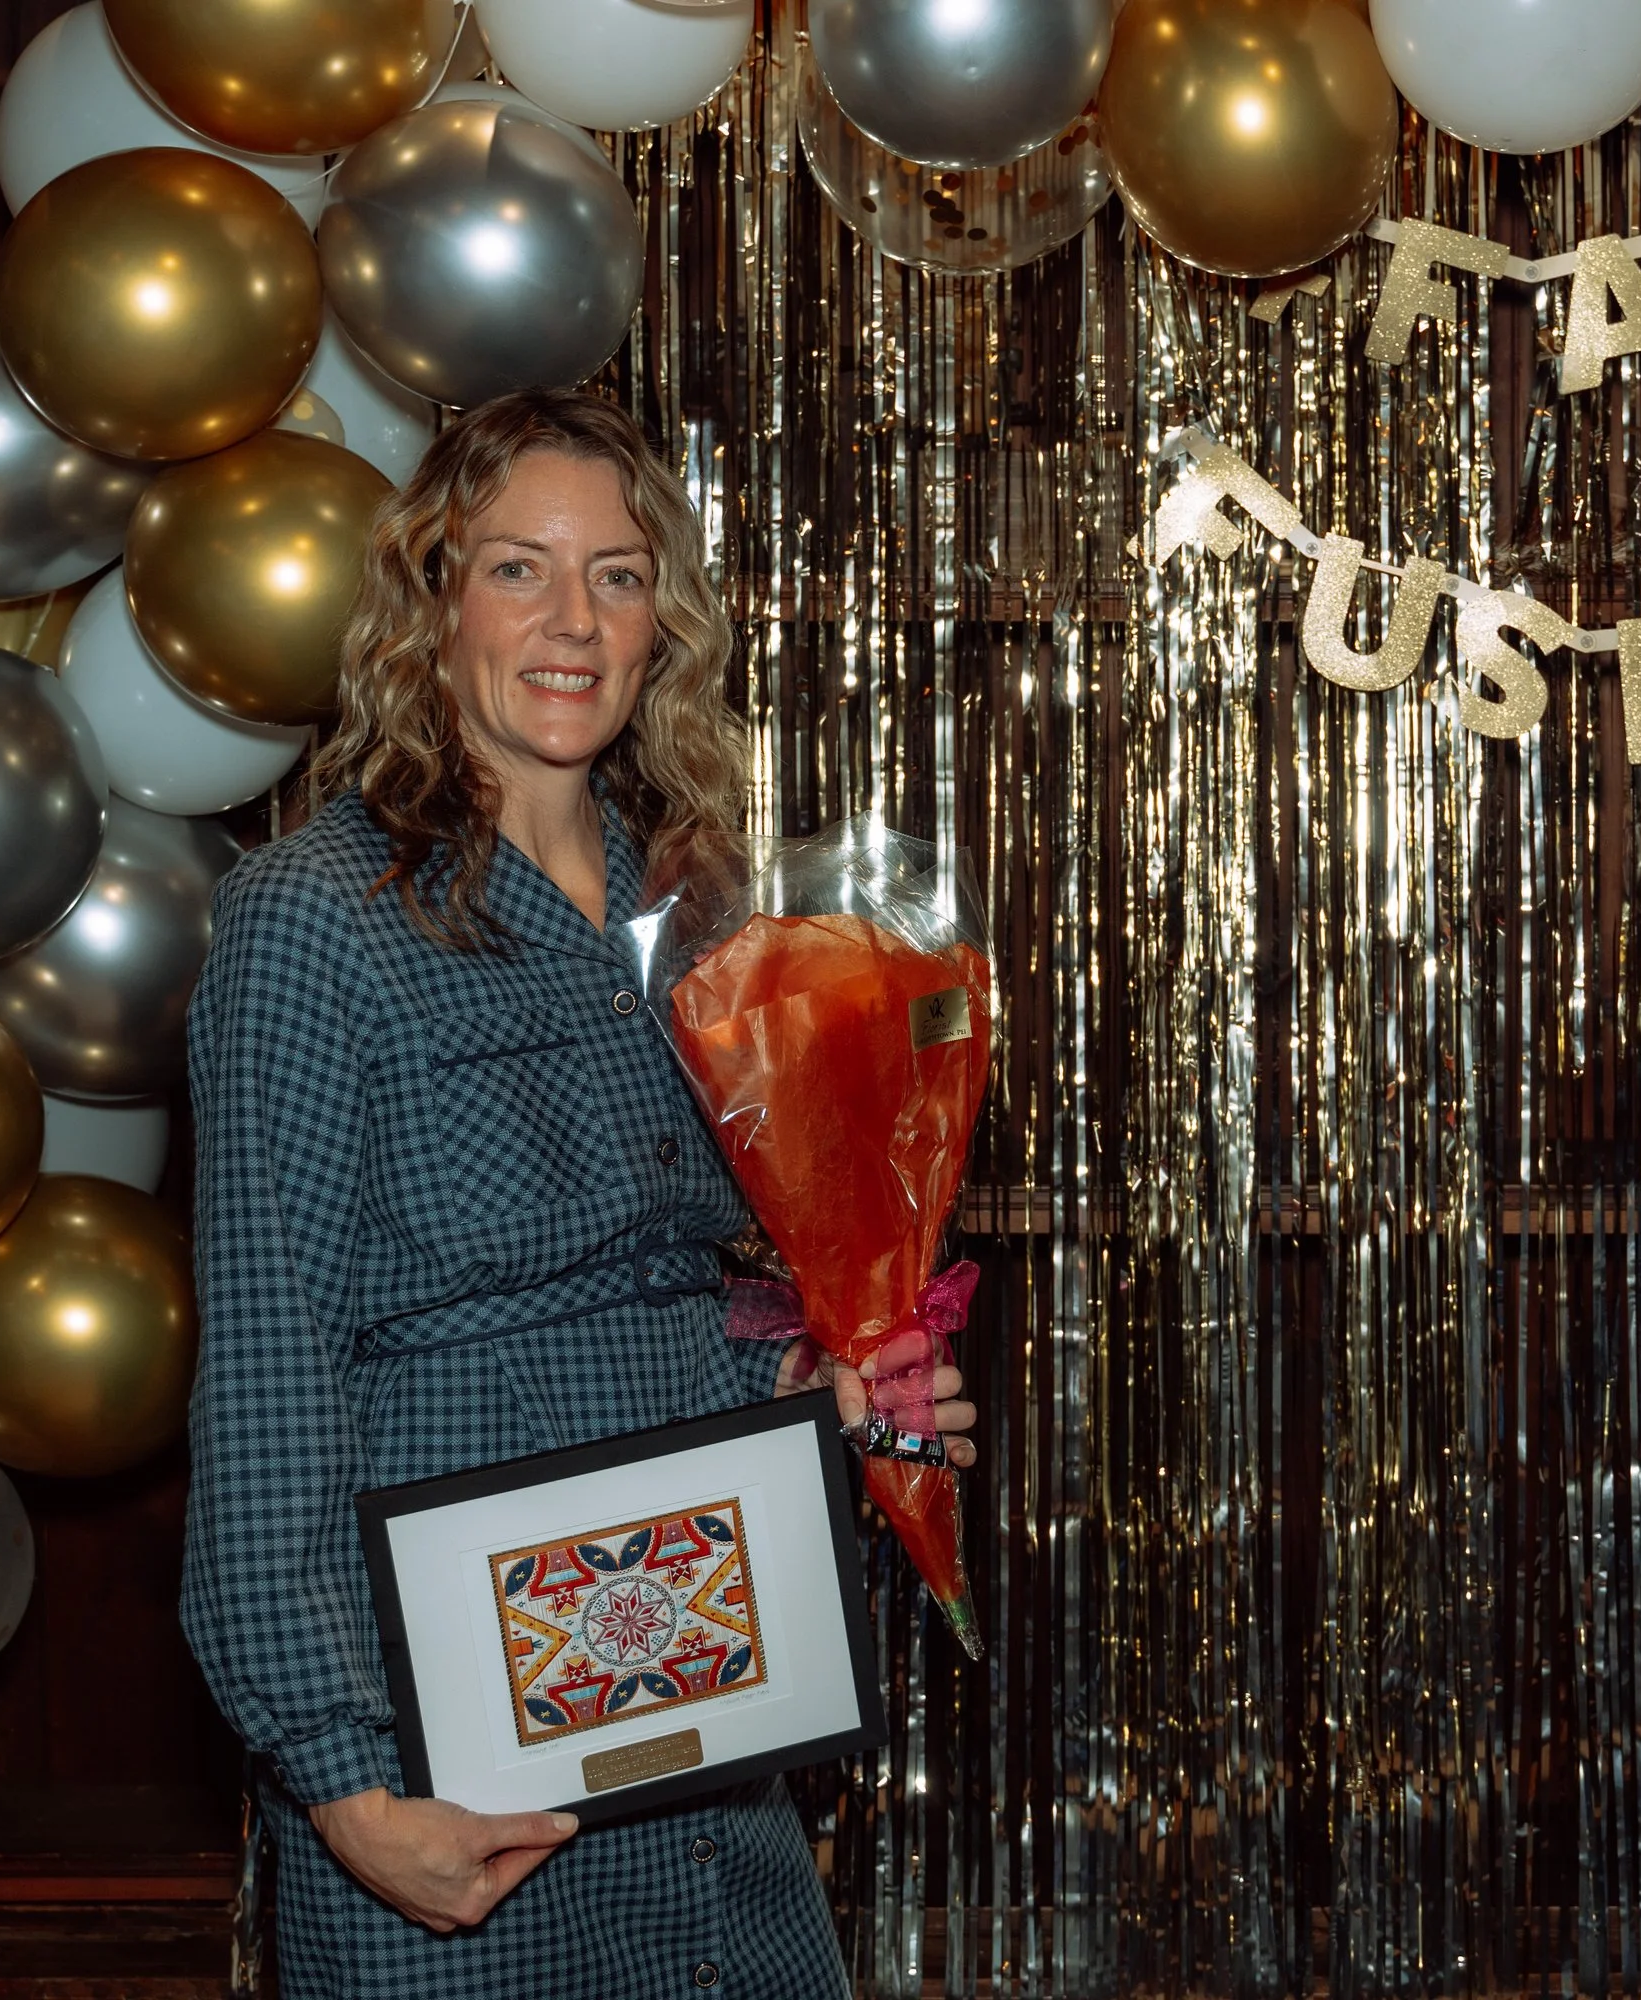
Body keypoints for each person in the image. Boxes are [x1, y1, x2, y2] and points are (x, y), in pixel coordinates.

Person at [181, 387, 976, 1998]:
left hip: (701, 1688)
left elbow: (686, 1296)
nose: (573, 622)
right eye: (517, 569)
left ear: (660, 621)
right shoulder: (314, 919)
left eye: (617, 576)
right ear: (432, 601)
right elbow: (268, 1376)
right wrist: (342, 1780)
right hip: (443, 1746)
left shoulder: (703, 912)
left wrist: (822, 1385)